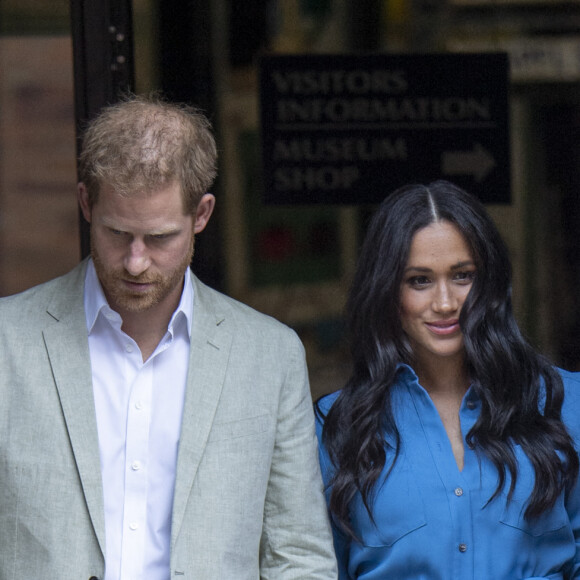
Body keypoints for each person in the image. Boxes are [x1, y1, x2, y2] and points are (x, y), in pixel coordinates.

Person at [0, 94, 337, 580]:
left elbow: (299, 555)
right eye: (118, 234)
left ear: (201, 215)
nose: (136, 262)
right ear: (85, 204)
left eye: (159, 238)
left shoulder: (269, 355)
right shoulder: (10, 342)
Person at [315, 180, 580, 579]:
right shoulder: (337, 426)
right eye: (419, 280)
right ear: (387, 291)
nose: (444, 303)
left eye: (462, 276)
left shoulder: (565, 403)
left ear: (490, 283)